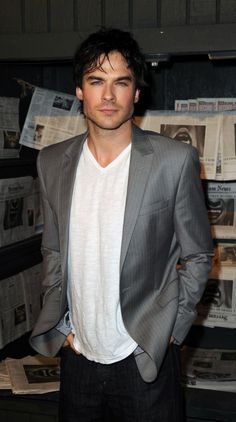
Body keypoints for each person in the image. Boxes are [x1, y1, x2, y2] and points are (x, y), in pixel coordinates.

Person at [30, 28, 213, 421]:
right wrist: (63, 330)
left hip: (145, 357)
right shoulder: (51, 162)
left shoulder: (174, 160)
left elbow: (198, 254)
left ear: (137, 93)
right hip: (78, 357)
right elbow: (53, 250)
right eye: (96, 81)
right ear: (79, 90)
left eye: (121, 83)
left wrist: (171, 331)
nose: (108, 96)